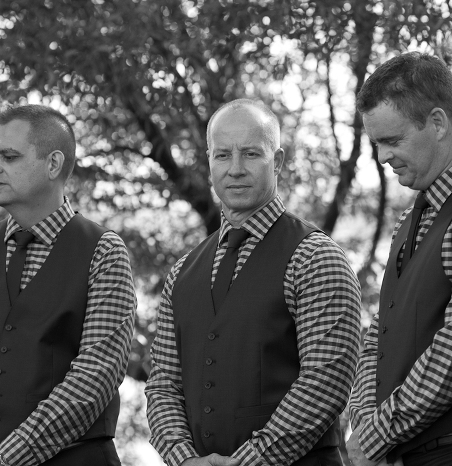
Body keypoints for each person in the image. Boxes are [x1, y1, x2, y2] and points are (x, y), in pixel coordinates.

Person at [145, 99, 362, 466]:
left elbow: (325, 382)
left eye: (250, 154)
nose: (235, 169)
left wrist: (249, 461)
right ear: (209, 161)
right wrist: (184, 459)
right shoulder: (182, 272)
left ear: (276, 161)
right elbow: (163, 385)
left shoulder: (316, 257)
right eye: (222, 155)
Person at [0, 105, 137, 466]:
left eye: (8, 156)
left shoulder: (103, 252)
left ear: (53, 164)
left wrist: (7, 458)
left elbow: (96, 375)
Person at [346, 52, 452, 466]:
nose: (382, 157)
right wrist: (363, 419)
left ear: (438, 123)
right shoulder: (411, 217)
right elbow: (380, 335)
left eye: (393, 140)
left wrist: (372, 438)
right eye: (376, 144)